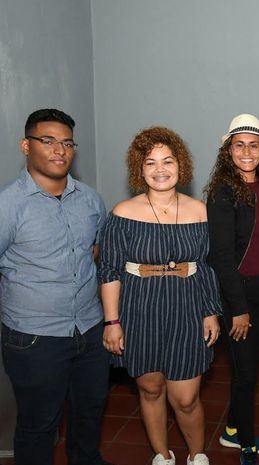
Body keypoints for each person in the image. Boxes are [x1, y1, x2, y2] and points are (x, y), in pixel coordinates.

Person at [98, 127, 221, 465]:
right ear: (140, 169)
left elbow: (207, 265)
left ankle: (197, 455)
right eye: (151, 163)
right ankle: (162, 456)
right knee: (150, 390)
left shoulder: (200, 211)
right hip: (140, 309)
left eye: (168, 161)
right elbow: (109, 271)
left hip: (187, 308)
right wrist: (112, 322)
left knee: (186, 397)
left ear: (181, 165)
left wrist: (210, 311)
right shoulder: (122, 214)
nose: (160, 169)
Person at [0, 108, 112, 465]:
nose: (59, 150)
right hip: (34, 337)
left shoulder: (91, 201)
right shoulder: (8, 205)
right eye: (47, 141)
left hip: (90, 330)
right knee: (39, 424)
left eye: (67, 142)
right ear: (25, 145)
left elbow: (96, 252)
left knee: (89, 411)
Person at [206, 114, 259, 465]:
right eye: (239, 145)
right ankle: (246, 443)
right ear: (228, 150)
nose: (246, 151)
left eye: (253, 144)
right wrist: (238, 308)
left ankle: (233, 427)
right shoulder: (222, 192)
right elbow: (221, 257)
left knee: (249, 365)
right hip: (240, 295)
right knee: (246, 373)